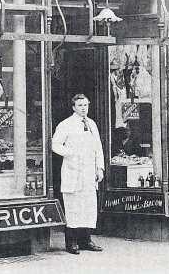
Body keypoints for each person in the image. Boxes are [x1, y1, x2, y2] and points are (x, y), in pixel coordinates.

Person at [52, 94, 105, 254]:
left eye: (86, 105)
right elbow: (55, 144)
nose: (83, 108)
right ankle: (72, 242)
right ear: (74, 107)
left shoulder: (92, 124)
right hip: (73, 171)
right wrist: (71, 153)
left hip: (89, 173)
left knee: (88, 207)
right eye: (80, 105)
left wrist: (100, 168)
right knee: (74, 207)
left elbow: (98, 148)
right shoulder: (66, 124)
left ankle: (86, 240)